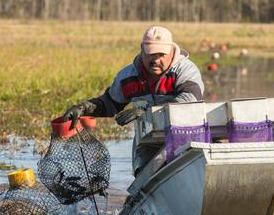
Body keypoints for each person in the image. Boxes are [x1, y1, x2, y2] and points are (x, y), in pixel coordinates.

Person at [62, 26, 205, 174]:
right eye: (151, 54)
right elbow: (110, 103)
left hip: (185, 135)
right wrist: (83, 108)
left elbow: (190, 100)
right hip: (148, 140)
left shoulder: (185, 70)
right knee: (142, 174)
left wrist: (146, 112)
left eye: (161, 54)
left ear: (171, 51)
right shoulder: (128, 76)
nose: (156, 60)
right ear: (142, 50)